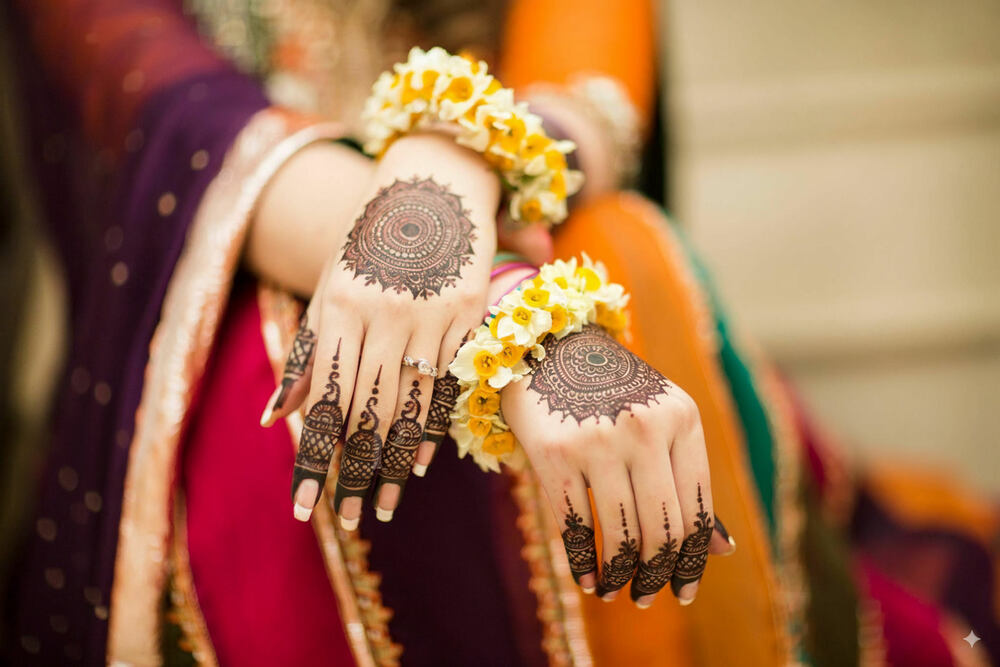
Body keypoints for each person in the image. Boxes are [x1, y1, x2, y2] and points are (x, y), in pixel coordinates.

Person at [2, 0, 996, 665]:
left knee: (620, 248)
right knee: (295, 354)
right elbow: (182, 120)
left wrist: (453, 165)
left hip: (539, 217)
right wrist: (520, 318)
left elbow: (592, 101)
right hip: (242, 294)